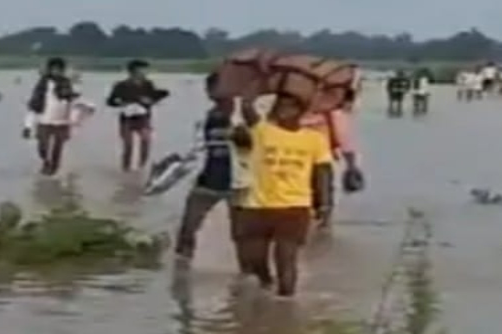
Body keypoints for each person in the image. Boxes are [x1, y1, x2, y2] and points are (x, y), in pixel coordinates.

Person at [231, 94, 334, 298]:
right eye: (278, 108)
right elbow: (247, 109)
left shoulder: (314, 139)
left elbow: (323, 172)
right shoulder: (262, 131)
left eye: (288, 108)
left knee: (286, 259)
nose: (281, 112)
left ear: (300, 112)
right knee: (254, 259)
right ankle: (266, 285)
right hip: (257, 206)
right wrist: (254, 89)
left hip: (294, 208)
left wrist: (324, 204)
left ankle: (286, 303)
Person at [174, 72, 243, 264]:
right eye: (209, 89)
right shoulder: (207, 117)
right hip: (208, 179)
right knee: (188, 228)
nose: (211, 93)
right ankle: (181, 270)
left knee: (243, 233)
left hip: (238, 182)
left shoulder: (244, 117)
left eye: (215, 88)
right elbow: (198, 150)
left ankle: (248, 272)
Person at [298, 87, 364, 228]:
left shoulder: (297, 107)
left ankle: (316, 217)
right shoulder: (333, 112)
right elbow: (343, 138)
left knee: (311, 188)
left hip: (299, 155)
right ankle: (323, 219)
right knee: (322, 187)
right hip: (318, 156)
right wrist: (351, 164)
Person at [105, 59, 170, 172]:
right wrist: (120, 103)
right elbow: (110, 101)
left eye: (145, 70)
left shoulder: (148, 84)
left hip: (143, 118)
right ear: (133, 71)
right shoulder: (121, 85)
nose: (145, 72)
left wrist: (151, 100)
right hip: (127, 119)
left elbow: (153, 97)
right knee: (128, 146)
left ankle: (141, 169)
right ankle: (126, 169)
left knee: (146, 143)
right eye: (142, 70)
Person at [23, 57, 79, 176]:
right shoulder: (42, 85)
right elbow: (33, 105)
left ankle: (53, 171)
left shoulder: (67, 84)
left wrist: (73, 123)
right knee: (42, 147)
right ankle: (46, 162)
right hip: (44, 120)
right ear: (49, 70)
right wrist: (27, 126)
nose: (56, 72)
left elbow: (74, 104)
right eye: (54, 69)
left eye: (59, 70)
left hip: (62, 122)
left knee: (57, 149)